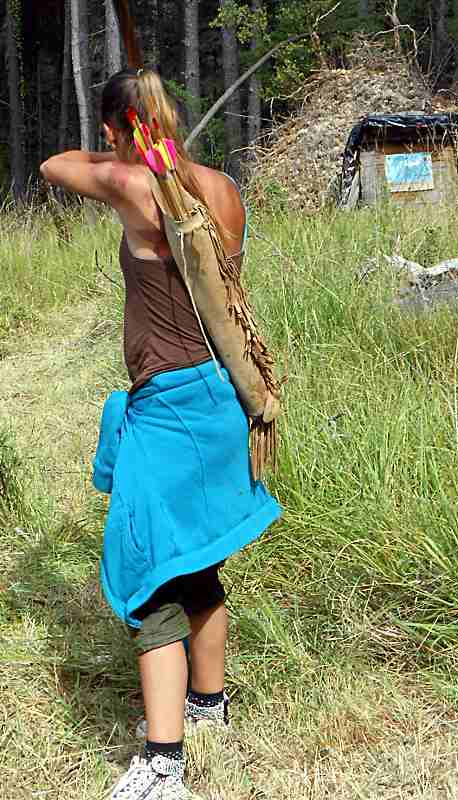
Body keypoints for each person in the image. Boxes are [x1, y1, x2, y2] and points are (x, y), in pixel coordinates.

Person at [40, 67, 282, 800]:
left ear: (119, 128)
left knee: (148, 578)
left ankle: (163, 762)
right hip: (219, 398)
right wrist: (144, 141)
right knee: (197, 561)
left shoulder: (135, 186)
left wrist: (121, 149)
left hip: (169, 410)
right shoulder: (219, 186)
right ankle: (209, 707)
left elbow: (56, 166)